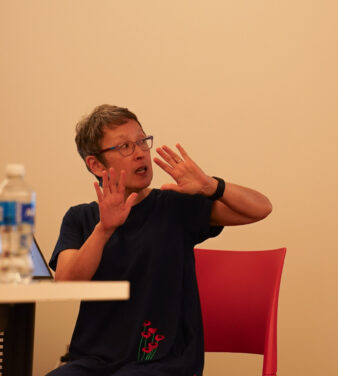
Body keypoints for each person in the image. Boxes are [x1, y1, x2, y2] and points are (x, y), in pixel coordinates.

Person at [47, 104, 272, 376]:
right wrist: (103, 230)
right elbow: (67, 284)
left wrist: (211, 186)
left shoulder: (175, 206)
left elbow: (261, 208)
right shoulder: (80, 218)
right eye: (125, 146)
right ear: (95, 163)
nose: (140, 152)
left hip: (164, 360)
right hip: (93, 360)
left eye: (142, 141)